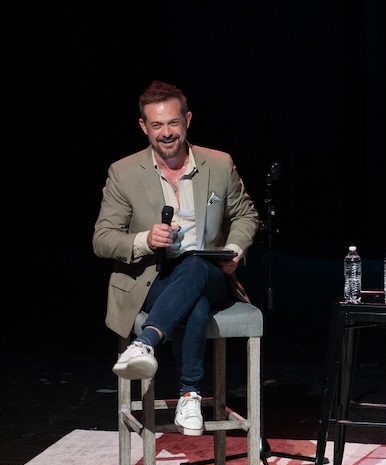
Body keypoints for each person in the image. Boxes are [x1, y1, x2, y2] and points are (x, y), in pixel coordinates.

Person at [92, 80, 260, 436]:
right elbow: (103, 239)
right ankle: (189, 395)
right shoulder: (124, 173)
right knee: (193, 305)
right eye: (156, 125)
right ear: (144, 127)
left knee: (196, 266)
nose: (166, 133)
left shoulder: (218, 163)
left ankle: (145, 344)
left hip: (210, 272)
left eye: (173, 123)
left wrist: (235, 249)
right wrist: (143, 239)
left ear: (187, 120)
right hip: (154, 278)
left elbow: (246, 215)